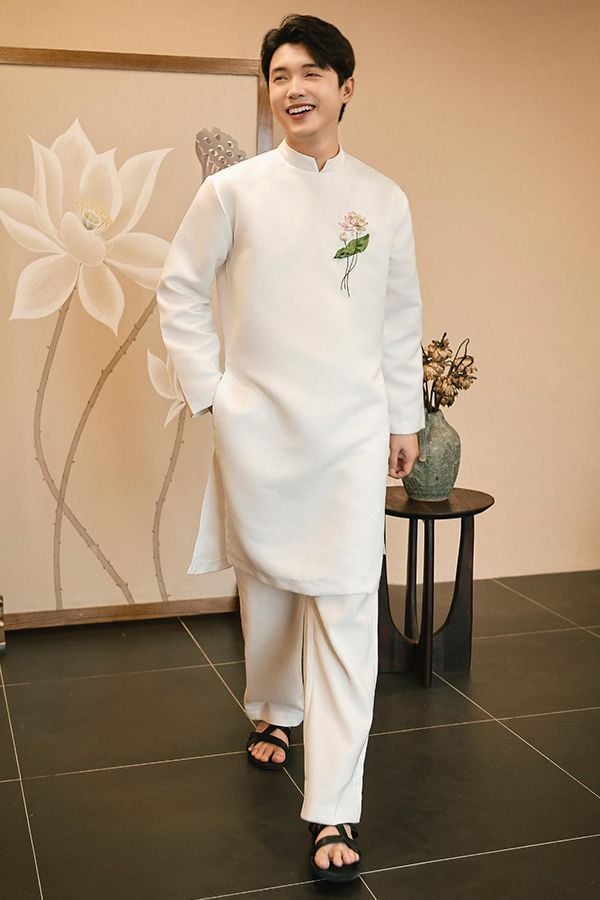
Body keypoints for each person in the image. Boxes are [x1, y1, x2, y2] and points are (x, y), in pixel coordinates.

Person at [156, 13, 425, 883]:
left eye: (311, 73)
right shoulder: (232, 192)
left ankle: (334, 804)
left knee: (346, 603)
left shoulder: (383, 199)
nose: (294, 89)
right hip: (260, 426)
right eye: (279, 75)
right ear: (268, 91)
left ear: (346, 88)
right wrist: (213, 392)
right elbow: (179, 288)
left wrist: (405, 418)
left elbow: (399, 316)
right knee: (267, 582)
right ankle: (273, 708)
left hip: (350, 433)